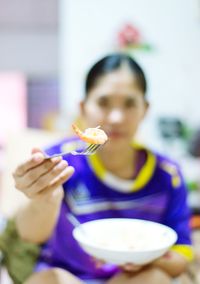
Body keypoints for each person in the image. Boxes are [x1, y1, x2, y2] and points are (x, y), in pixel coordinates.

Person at [12, 53, 194, 284]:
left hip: (131, 278)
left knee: (156, 278)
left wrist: (146, 258)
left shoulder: (167, 174)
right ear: (84, 107)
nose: (116, 117)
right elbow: (30, 235)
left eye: (129, 103)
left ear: (145, 109)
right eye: (103, 102)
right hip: (67, 276)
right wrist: (43, 197)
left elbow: (183, 252)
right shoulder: (58, 162)